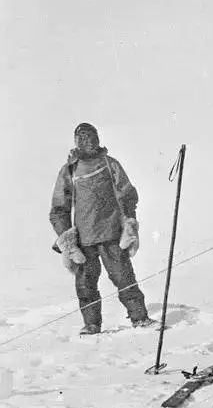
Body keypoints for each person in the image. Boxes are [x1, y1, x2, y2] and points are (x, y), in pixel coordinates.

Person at [49, 122, 155, 335]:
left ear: (97, 138)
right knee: (86, 286)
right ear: (76, 141)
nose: (86, 140)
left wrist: (129, 222)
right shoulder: (69, 170)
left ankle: (140, 318)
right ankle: (91, 325)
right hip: (83, 242)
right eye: (82, 137)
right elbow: (59, 208)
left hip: (112, 235)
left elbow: (127, 195)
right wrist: (67, 238)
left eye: (90, 136)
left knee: (124, 278)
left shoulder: (109, 163)